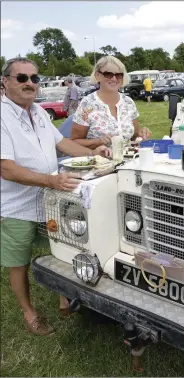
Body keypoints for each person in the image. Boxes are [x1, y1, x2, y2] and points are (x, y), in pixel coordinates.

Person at [1, 57, 110, 336]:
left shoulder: (38, 112)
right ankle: (29, 312)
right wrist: (52, 179)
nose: (30, 84)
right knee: (19, 262)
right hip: (16, 206)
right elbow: (6, 168)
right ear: (5, 82)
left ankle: (64, 295)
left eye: (34, 78)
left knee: (63, 245)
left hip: (49, 198)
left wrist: (92, 153)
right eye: (21, 78)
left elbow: (62, 143)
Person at [70, 55, 152, 149]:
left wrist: (142, 134)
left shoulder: (128, 103)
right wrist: (98, 142)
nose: (114, 78)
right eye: (108, 74)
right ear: (97, 76)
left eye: (118, 75)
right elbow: (73, 142)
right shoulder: (87, 104)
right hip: (99, 162)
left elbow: (135, 136)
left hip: (129, 161)